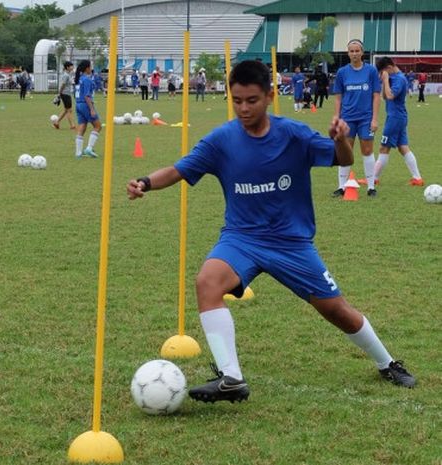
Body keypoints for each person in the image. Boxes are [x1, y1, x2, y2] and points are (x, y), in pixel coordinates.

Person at [126, 60, 416, 405]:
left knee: (336, 310)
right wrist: (145, 182)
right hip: (241, 239)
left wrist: (340, 140)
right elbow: (178, 169)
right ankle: (231, 378)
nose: (244, 108)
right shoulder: (221, 141)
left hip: (291, 243)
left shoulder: (293, 135)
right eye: (236, 101)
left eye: (251, 100)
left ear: (269, 96)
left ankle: (387, 362)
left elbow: (342, 159)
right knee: (207, 281)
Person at [331, 39, 381, 197]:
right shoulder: (342, 72)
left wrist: (374, 119)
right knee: (346, 151)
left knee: (367, 150)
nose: (354, 54)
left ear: (362, 52)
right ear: (348, 53)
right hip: (347, 119)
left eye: (357, 51)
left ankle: (371, 187)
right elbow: (338, 97)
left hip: (366, 118)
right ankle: (342, 187)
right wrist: (337, 117)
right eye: (351, 51)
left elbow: (376, 96)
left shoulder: (371, 71)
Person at [373, 57, 424, 186]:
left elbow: (390, 96)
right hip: (398, 117)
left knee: (384, 147)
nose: (382, 75)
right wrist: (385, 82)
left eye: (383, 71)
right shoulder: (392, 78)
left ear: (389, 68)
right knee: (403, 147)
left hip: (395, 118)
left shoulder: (400, 79)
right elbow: (385, 96)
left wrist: (385, 80)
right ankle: (417, 178)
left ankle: (373, 178)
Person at [73, 59, 101, 159]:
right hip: (85, 104)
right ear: (87, 68)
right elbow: (87, 96)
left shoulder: (78, 79)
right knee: (98, 126)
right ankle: (89, 148)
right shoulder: (87, 79)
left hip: (78, 104)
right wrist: (92, 109)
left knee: (82, 126)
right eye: (90, 66)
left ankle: (78, 153)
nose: (91, 68)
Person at [54, 61, 75, 130]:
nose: (72, 67)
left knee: (66, 110)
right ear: (67, 67)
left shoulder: (68, 74)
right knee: (69, 110)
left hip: (67, 93)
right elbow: (63, 85)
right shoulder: (66, 75)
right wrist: (59, 93)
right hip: (65, 94)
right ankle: (72, 125)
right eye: (71, 66)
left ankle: (57, 122)